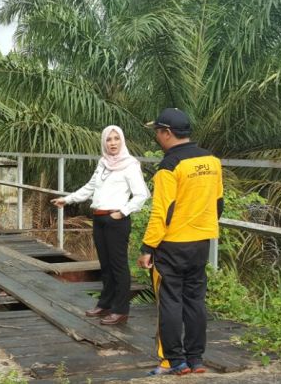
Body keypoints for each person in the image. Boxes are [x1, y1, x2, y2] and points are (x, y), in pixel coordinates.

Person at [137, 108, 224, 376]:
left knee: (170, 301)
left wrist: (148, 247)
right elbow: (218, 203)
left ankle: (173, 361)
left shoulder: (169, 166)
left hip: (172, 245)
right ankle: (196, 358)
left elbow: (161, 212)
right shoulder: (212, 161)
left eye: (157, 132)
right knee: (195, 300)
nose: (157, 137)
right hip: (201, 242)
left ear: (167, 133)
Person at [51, 125, 149, 325]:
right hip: (99, 218)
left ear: (122, 141)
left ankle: (121, 310)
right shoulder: (103, 163)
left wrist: (122, 212)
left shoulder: (130, 164)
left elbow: (141, 194)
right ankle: (105, 304)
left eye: (116, 139)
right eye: (109, 139)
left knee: (118, 266)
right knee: (105, 265)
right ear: (104, 142)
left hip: (116, 221)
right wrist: (67, 200)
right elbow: (90, 187)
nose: (112, 143)